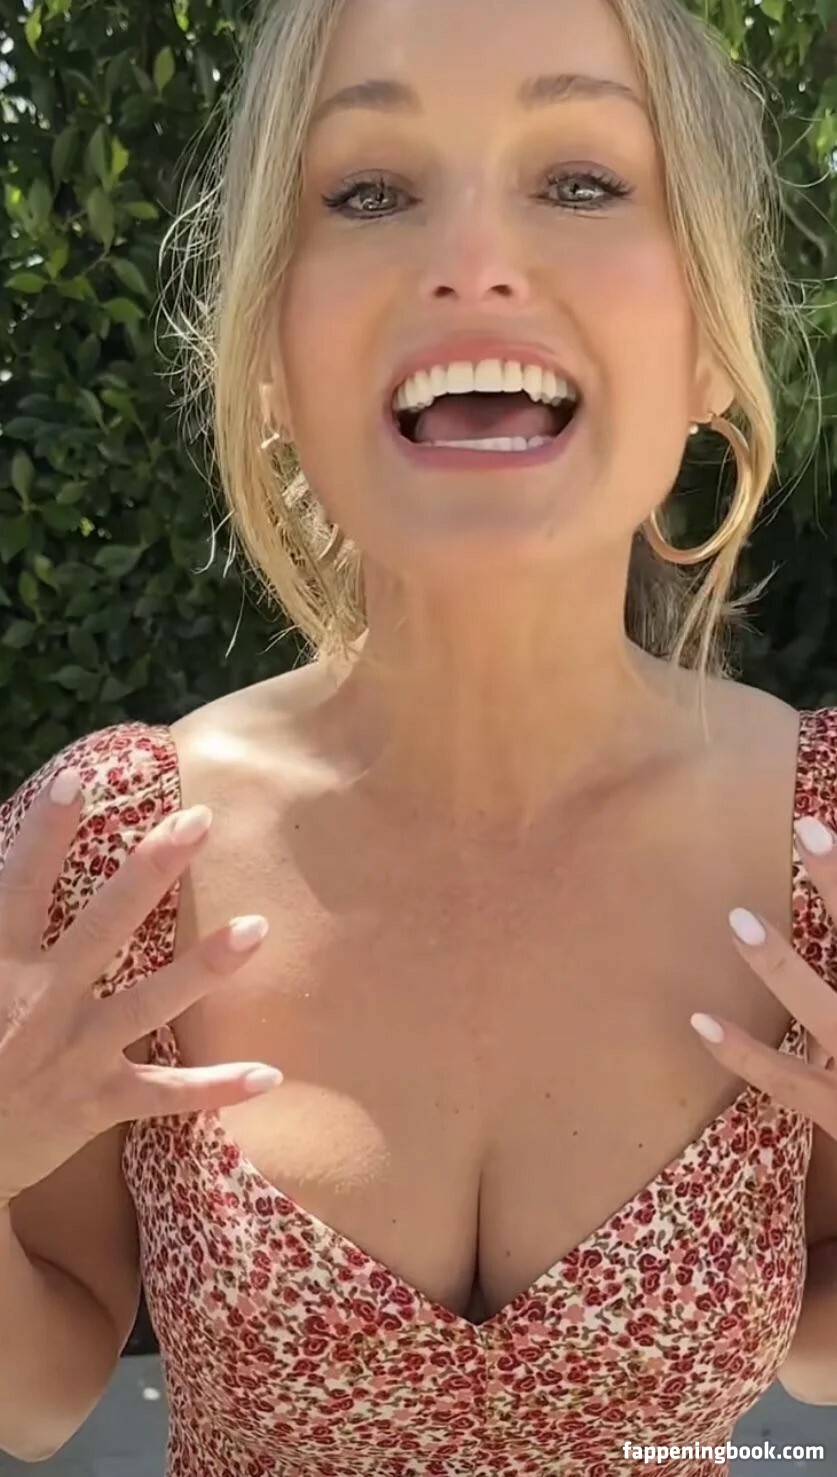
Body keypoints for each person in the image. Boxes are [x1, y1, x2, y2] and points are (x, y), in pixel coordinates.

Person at [2, 0, 837, 1472]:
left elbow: (816, 1349)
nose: (473, 258)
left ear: (712, 339)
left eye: (581, 179)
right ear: (270, 350)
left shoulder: (821, 841)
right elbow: (41, 1383)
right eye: (370, 191)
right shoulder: (115, 849)